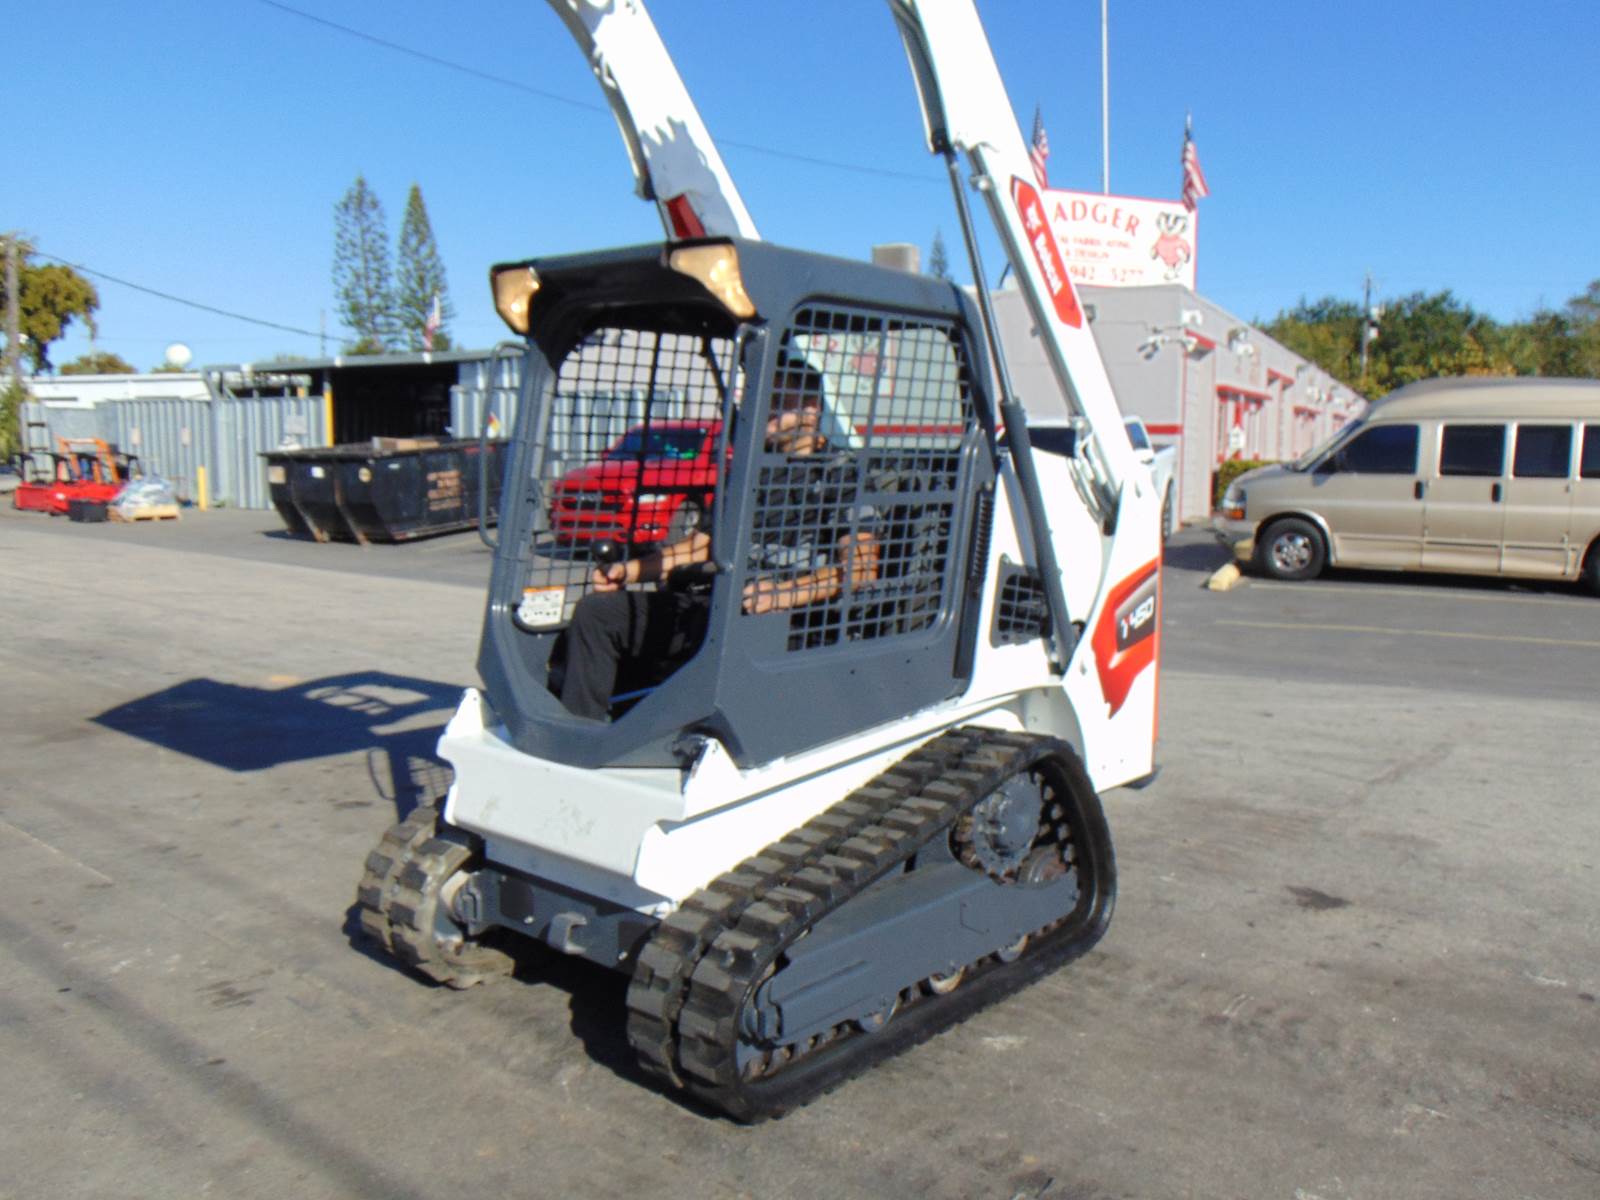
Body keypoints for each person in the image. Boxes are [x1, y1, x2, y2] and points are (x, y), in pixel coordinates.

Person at [555, 361, 879, 720]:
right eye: (761, 399)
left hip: (790, 620)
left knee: (739, 632)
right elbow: (701, 545)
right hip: (719, 606)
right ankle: (583, 733)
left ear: (811, 407)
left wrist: (783, 593)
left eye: (777, 400)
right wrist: (628, 571)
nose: (764, 410)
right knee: (597, 613)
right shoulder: (750, 472)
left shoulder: (843, 473)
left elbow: (861, 569)